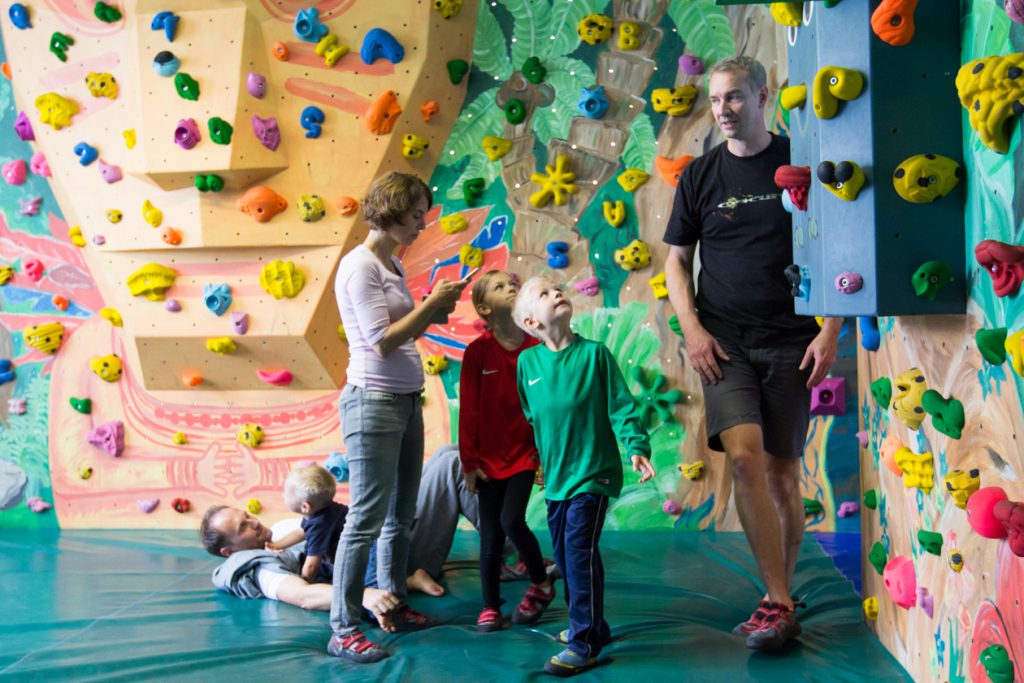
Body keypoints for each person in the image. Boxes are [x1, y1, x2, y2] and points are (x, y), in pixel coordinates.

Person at [662, 55, 841, 651]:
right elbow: (677, 262)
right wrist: (691, 330)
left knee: (784, 475)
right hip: (725, 343)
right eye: (715, 101)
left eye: (735, 98)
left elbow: (840, 249)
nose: (724, 111)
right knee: (744, 459)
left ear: (762, 96)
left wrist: (831, 329)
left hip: (792, 340)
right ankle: (779, 602)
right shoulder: (700, 176)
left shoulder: (799, 163)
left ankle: (780, 594)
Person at [329, 171, 469, 663]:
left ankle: (394, 603)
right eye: (415, 216)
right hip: (373, 402)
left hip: (405, 401)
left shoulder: (390, 265)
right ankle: (344, 626)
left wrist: (438, 306)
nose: (420, 225)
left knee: (399, 518)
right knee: (365, 519)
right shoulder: (360, 266)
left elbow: (404, 329)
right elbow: (381, 340)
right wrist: (432, 304)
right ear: (390, 212)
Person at [512, 275, 656, 677]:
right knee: (568, 556)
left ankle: (584, 641)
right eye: (544, 293)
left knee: (576, 553)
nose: (556, 293)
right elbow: (533, 418)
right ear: (530, 322)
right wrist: (538, 460)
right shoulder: (528, 364)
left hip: (593, 474)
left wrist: (637, 448)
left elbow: (622, 407)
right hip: (556, 478)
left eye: (557, 288)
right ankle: (595, 624)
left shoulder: (596, 355)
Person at [201, 446, 482, 613]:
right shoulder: (255, 567)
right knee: (452, 465)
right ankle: (509, 555)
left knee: (447, 452)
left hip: (381, 536)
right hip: (390, 561)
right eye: (243, 526)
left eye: (247, 515)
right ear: (230, 551)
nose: (253, 521)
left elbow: (313, 528)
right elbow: (303, 595)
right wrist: (362, 595)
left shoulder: (276, 534)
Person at [460, 270, 555, 632]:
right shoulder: (477, 353)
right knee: (490, 535)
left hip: (523, 455)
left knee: (511, 520)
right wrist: (469, 462)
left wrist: (545, 454)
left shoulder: (536, 348)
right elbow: (469, 411)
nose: (511, 287)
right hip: (486, 460)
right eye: (500, 287)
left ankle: (541, 581)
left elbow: (546, 407)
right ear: (485, 308)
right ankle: (489, 605)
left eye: (512, 284)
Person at [266, 465, 348, 583]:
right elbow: (301, 532)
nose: (283, 496)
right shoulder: (324, 509)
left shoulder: (318, 525)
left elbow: (311, 565)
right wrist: (275, 546)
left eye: (287, 494)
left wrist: (304, 583)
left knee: (317, 571)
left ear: (305, 507)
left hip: (350, 563)